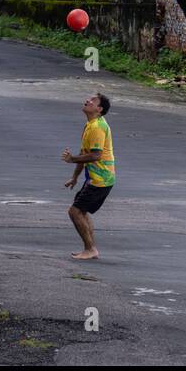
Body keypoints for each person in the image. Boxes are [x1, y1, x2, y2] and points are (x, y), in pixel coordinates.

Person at [62, 93, 115, 260]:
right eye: (89, 99)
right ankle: (90, 249)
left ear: (99, 109)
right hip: (95, 178)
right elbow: (85, 154)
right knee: (81, 211)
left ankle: (90, 249)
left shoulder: (97, 127)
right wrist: (75, 177)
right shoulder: (90, 125)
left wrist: (71, 160)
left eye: (92, 101)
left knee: (75, 212)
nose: (87, 101)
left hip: (101, 179)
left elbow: (95, 156)